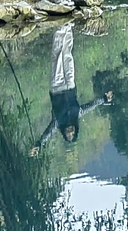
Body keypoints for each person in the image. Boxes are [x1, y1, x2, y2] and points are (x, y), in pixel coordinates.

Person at [30, 24, 113, 152]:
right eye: (72, 135)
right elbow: (91, 105)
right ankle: (67, 28)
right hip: (69, 85)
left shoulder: (58, 122)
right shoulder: (78, 114)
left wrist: (40, 144)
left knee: (57, 57)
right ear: (75, 130)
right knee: (68, 56)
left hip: (57, 88)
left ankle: (59, 30)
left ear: (64, 133)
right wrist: (104, 99)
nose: (70, 133)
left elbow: (48, 133)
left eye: (68, 135)